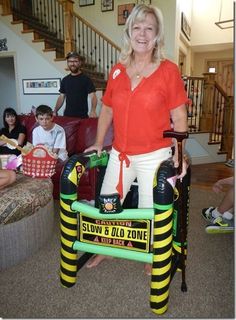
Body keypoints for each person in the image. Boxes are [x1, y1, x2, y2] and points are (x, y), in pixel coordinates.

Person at [84, 4, 188, 273]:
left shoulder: (168, 70)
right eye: (137, 27)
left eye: (149, 28)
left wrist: (179, 154)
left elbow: (179, 117)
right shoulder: (117, 70)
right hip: (120, 153)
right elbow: (107, 108)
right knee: (107, 202)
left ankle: (152, 254)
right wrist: (98, 142)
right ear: (129, 32)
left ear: (157, 35)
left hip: (155, 155)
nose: (142, 33)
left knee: (149, 212)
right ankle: (108, 245)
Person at [54, 52, 98, 118]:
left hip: (82, 117)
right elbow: (61, 97)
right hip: (67, 116)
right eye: (70, 61)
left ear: (80, 63)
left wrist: (93, 111)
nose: (72, 64)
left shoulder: (86, 79)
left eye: (75, 61)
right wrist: (55, 111)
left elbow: (93, 97)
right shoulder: (65, 80)